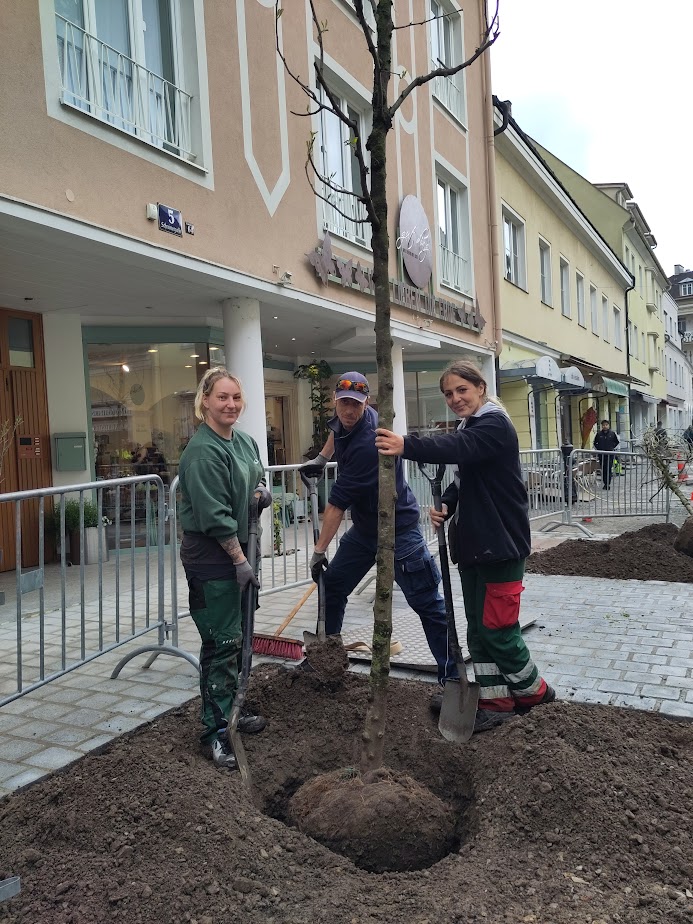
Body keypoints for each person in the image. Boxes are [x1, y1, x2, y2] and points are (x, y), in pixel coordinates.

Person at [374, 361, 555, 733]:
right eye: (448, 394)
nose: (455, 399)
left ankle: (535, 692)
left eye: (461, 391)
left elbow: (461, 447)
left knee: (499, 631)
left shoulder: (494, 424)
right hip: (475, 546)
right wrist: (448, 503)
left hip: (500, 545)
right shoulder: (472, 425)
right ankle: (496, 700)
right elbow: (469, 477)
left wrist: (407, 445)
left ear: (481, 388)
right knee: (478, 630)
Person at [302, 371, 458, 689]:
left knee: (427, 604)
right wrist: (321, 458)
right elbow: (337, 432)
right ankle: (326, 662)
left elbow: (335, 506)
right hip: (364, 530)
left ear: (367, 403)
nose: (348, 411)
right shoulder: (345, 420)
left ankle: (452, 676)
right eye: (343, 403)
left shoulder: (366, 442)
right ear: (335, 401)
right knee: (332, 588)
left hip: (398, 529)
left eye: (355, 405)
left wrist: (319, 552)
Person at [178, 368, 272, 771]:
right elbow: (214, 516)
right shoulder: (203, 451)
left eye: (235, 397)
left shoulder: (244, 441)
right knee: (222, 644)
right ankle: (215, 732)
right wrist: (238, 560)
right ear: (205, 402)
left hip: (242, 558)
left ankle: (235, 709)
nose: (230, 404)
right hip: (214, 561)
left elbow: (257, 477)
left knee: (238, 638)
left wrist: (262, 493)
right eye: (222, 397)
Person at [593, 420, 619, 490]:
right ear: (602, 426)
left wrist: (611, 447)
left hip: (610, 454)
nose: (605, 426)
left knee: (609, 469)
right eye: (603, 425)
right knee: (604, 469)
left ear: (608, 425)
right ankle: (605, 483)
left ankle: (608, 484)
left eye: (606, 425)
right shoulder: (599, 434)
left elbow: (616, 442)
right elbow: (595, 443)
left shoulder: (612, 434)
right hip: (602, 455)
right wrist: (599, 449)